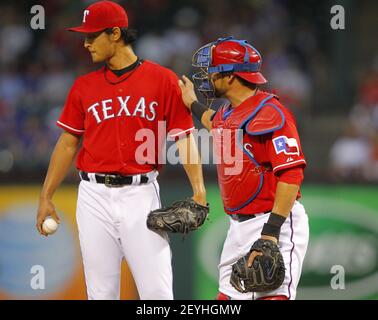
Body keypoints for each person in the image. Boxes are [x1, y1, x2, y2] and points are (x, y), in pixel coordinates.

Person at [36, 0, 206, 300]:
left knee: (157, 293)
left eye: (92, 36)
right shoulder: (83, 86)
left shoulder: (162, 80)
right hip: (92, 196)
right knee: (100, 294)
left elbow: (184, 137)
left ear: (115, 34)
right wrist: (46, 195)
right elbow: (67, 143)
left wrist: (199, 191)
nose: (86, 43)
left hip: (140, 195)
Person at [179, 37, 309, 300]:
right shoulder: (230, 111)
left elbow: (292, 174)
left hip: (272, 222)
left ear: (230, 77)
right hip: (237, 226)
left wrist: (271, 233)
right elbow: (215, 122)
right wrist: (192, 103)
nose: (208, 77)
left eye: (213, 71)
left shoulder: (271, 113)